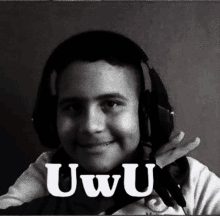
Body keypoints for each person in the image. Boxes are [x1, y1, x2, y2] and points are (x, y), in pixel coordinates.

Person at [0, 30, 218, 215]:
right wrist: (121, 188)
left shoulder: (189, 177)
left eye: (111, 104)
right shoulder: (49, 172)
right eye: (73, 107)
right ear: (50, 117)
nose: (90, 126)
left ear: (146, 114)